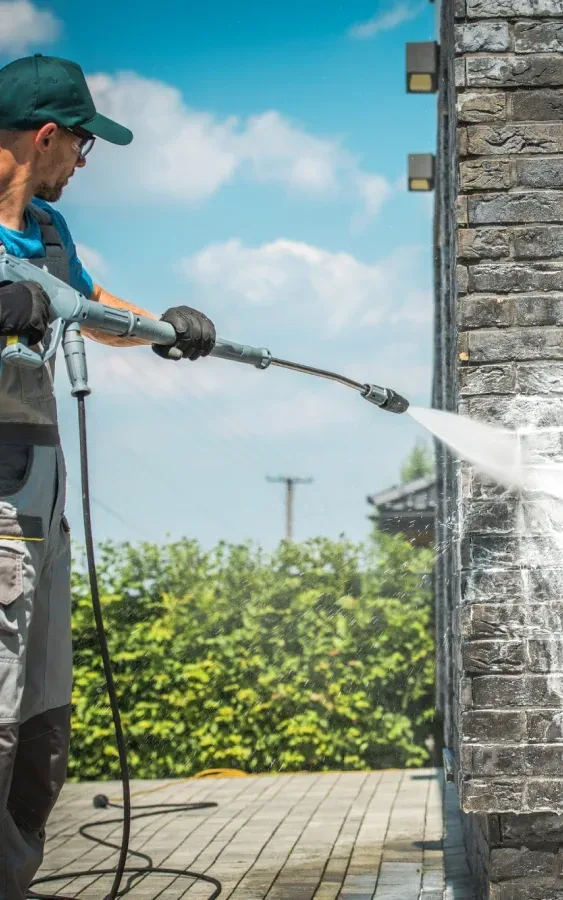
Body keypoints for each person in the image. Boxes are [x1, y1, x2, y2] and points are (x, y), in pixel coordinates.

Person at [0, 54, 216, 898]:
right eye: (82, 146)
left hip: (38, 516)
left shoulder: (49, 235)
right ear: (46, 137)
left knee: (42, 733)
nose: (84, 165)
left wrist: (165, 328)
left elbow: (88, 304)